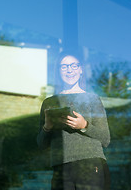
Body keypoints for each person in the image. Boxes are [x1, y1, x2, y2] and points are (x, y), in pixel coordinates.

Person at [37, 52, 110, 190]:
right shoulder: (49, 102)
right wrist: (47, 127)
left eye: (74, 65)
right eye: (64, 66)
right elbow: (41, 144)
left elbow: (106, 139)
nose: (69, 70)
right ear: (58, 71)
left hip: (90, 165)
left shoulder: (92, 99)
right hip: (61, 169)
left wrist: (84, 125)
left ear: (81, 69)